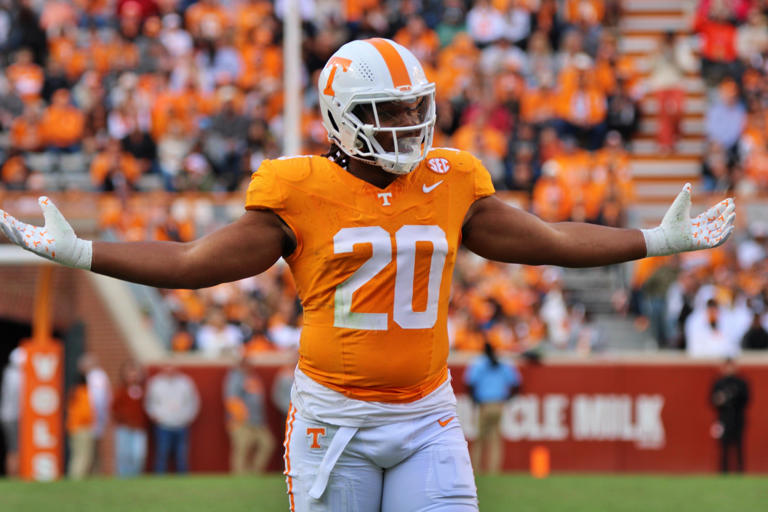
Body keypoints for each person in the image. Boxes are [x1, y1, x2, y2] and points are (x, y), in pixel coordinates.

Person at [0, 38, 736, 511]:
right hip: (336, 419)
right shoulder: (299, 190)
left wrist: (649, 240)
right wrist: (86, 252)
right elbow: (195, 265)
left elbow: (545, 240)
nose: (407, 126)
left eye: (415, 109)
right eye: (387, 111)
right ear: (339, 117)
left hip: (428, 415)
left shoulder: (451, 179)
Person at [464, 342, 521, 474]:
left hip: (484, 405)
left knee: (480, 439)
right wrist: (508, 398)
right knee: (495, 439)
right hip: (498, 404)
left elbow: (470, 383)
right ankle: (493, 470)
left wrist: (475, 400)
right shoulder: (504, 363)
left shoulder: (478, 363)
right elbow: (517, 383)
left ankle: (476, 469)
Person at [223, 353, 275, 474]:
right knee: (242, 448)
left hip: (258, 421)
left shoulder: (254, 377)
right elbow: (232, 400)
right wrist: (240, 418)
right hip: (241, 421)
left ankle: (254, 473)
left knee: (268, 444)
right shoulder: (234, 378)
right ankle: (240, 477)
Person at [144, 365, 200, 474]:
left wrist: (189, 416)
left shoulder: (185, 382)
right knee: (162, 452)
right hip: (163, 424)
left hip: (181, 423)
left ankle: (182, 478)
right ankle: (159, 478)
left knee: (181, 454)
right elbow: (149, 402)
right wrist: (154, 415)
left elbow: (193, 401)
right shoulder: (156, 382)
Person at [710, 359, 750, 473]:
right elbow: (711, 400)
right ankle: (724, 470)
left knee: (739, 445)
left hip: (738, 417)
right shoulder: (719, 383)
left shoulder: (741, 383)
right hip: (723, 418)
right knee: (723, 445)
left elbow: (746, 399)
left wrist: (732, 397)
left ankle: (740, 470)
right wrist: (719, 400)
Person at [112, 359, 149, 477]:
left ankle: (135, 476)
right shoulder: (121, 390)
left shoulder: (143, 390)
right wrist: (124, 421)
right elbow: (114, 408)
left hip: (139, 428)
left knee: (138, 455)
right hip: (124, 428)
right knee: (124, 455)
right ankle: (123, 478)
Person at [1, 348, 24, 477]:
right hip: (14, 416)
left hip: (8, 415)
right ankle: (15, 475)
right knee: (15, 448)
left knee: (13, 448)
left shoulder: (9, 373)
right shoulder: (16, 375)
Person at [66, 374, 95, 480]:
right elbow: (86, 412)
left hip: (74, 427)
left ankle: (76, 477)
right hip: (82, 427)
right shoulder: (83, 392)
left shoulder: (74, 392)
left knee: (77, 454)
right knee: (83, 456)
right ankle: (77, 478)